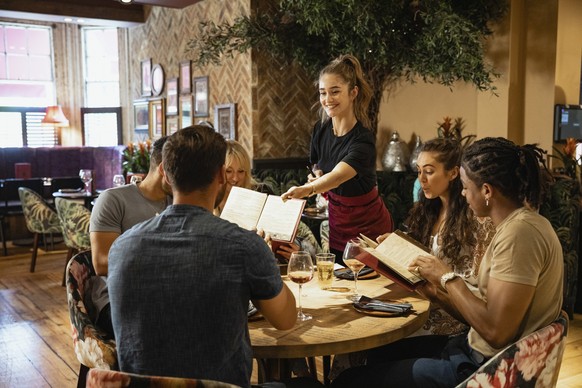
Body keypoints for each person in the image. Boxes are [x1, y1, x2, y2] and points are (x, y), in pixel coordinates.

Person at [332, 137, 563, 387]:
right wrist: (435, 294)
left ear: (486, 190)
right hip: (471, 348)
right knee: (375, 354)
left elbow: (497, 332)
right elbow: (482, 314)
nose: (463, 193)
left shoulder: (519, 234)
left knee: (348, 381)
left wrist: (447, 277)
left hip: (482, 368)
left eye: (465, 186)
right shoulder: (519, 226)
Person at [107, 126, 297, 388]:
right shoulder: (244, 245)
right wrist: (266, 259)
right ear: (221, 174)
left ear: (164, 172)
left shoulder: (121, 247)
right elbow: (286, 321)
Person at [281, 54, 393, 264]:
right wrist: (316, 176)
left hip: (369, 227)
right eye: (323, 93)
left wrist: (307, 189)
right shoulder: (320, 130)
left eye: (335, 92)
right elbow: (317, 167)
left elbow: (340, 175)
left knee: (368, 286)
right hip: (338, 223)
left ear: (353, 93)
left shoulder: (363, 140)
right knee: (341, 282)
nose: (327, 99)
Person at [88, 136, 172, 338]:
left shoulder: (177, 201)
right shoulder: (114, 199)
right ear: (164, 169)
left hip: (165, 295)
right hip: (116, 300)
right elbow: (100, 263)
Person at [216, 139, 321, 261]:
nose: (235, 178)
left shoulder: (261, 191)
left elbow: (286, 233)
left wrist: (297, 251)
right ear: (220, 172)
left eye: (241, 171)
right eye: (229, 171)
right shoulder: (212, 198)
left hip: (267, 262)